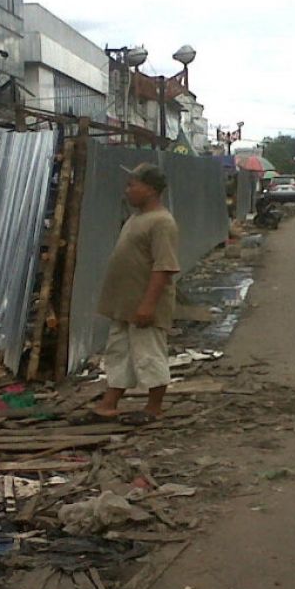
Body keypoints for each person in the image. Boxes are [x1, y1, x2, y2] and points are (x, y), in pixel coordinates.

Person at [78, 163, 180, 426]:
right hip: (124, 304)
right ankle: (109, 405)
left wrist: (148, 305)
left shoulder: (162, 222)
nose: (127, 191)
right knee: (118, 354)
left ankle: (154, 408)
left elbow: (164, 267)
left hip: (144, 305)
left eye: (132, 185)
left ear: (150, 189)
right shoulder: (137, 218)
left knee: (149, 355)